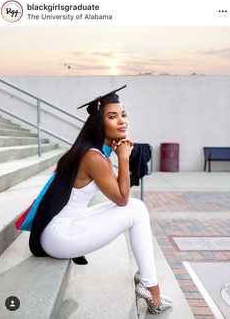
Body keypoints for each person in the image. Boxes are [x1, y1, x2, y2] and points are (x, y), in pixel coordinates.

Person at [33, 85, 172, 315]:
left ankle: (146, 279)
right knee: (134, 210)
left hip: (65, 225)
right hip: (59, 236)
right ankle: (152, 289)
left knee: (138, 207)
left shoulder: (92, 151)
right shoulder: (93, 157)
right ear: (99, 123)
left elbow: (121, 196)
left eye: (123, 114)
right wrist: (124, 158)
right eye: (112, 116)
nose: (122, 121)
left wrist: (119, 157)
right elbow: (121, 199)